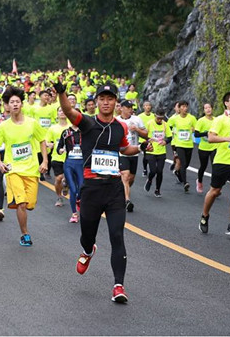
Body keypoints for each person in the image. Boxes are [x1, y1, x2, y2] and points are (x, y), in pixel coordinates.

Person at [56, 81, 147, 304]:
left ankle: (118, 286)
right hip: (92, 189)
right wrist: (61, 93)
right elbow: (68, 110)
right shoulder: (86, 123)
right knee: (87, 235)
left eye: (110, 99)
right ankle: (88, 250)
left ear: (116, 102)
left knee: (117, 236)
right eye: (102, 99)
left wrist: (142, 148)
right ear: (96, 102)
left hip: (114, 189)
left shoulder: (120, 127)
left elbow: (125, 148)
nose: (106, 102)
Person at [0, 86, 49, 247]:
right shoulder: (3, 127)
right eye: (12, 102)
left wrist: (45, 161)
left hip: (31, 170)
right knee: (22, 203)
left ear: (22, 104)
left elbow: (42, 141)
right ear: (7, 106)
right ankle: (25, 234)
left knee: (29, 205)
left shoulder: (32, 124)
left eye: (17, 101)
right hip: (13, 170)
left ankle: (21, 210)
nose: (15, 105)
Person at [199, 91, 230, 236]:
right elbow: (211, 138)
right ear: (226, 103)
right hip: (221, 161)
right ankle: (205, 215)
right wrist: (227, 139)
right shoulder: (219, 119)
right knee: (214, 192)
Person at [116, 100, 147, 211]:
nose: (130, 109)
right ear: (122, 108)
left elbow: (146, 134)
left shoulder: (137, 119)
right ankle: (127, 200)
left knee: (131, 178)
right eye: (128, 107)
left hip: (134, 152)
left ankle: (123, 191)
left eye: (131, 107)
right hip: (121, 152)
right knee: (125, 175)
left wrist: (137, 129)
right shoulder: (117, 120)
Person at [58, 113, 84, 223]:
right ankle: (74, 214)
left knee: (81, 188)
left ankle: (80, 204)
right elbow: (59, 147)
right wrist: (60, 150)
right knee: (73, 189)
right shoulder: (65, 133)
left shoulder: (85, 132)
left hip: (81, 163)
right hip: (69, 163)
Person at [168, 100, 196, 192]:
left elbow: (196, 128)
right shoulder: (174, 119)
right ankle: (185, 183)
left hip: (189, 144)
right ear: (179, 108)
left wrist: (194, 129)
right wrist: (172, 132)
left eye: (186, 106)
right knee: (183, 163)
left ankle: (178, 173)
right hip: (179, 144)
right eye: (183, 107)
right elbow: (167, 127)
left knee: (186, 164)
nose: (185, 108)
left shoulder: (191, 118)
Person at [144, 108, 171, 197]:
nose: (159, 120)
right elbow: (143, 135)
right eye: (158, 118)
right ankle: (150, 179)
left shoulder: (165, 125)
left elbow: (170, 137)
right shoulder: (149, 123)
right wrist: (148, 140)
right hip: (151, 151)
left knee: (159, 171)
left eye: (161, 118)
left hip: (161, 151)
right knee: (153, 171)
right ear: (155, 116)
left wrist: (165, 142)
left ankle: (157, 189)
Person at [47, 107, 70, 208]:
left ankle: (66, 185)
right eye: (60, 111)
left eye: (64, 110)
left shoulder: (71, 127)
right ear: (57, 114)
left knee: (69, 178)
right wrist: (49, 144)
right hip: (56, 157)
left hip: (70, 157)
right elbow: (47, 141)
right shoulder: (52, 128)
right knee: (59, 178)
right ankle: (59, 196)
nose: (62, 112)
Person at [194, 102, 217, 194]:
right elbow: (196, 134)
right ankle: (199, 181)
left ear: (212, 108)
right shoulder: (201, 121)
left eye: (209, 107)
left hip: (214, 147)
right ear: (204, 110)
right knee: (203, 166)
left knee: (215, 167)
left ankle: (214, 187)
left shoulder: (216, 120)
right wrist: (206, 133)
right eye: (206, 108)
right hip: (203, 147)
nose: (208, 109)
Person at [137, 101, 154, 177]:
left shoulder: (154, 116)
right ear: (143, 107)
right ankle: (145, 169)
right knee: (146, 156)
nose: (148, 107)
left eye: (149, 105)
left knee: (151, 155)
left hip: (152, 139)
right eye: (146, 105)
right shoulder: (140, 116)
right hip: (142, 139)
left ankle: (151, 169)